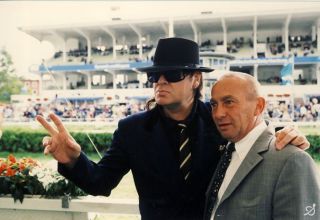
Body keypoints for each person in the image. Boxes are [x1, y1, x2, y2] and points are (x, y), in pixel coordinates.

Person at [36, 37, 309, 220]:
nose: (161, 81)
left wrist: (286, 133)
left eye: (173, 74)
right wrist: (73, 160)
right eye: (155, 75)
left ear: (195, 79)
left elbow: (254, 131)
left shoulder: (220, 121)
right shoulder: (131, 130)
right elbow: (100, 183)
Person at [204, 72, 320, 220]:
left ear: (259, 106)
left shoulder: (292, 159)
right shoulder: (225, 150)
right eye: (214, 104)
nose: (218, 113)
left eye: (229, 102)